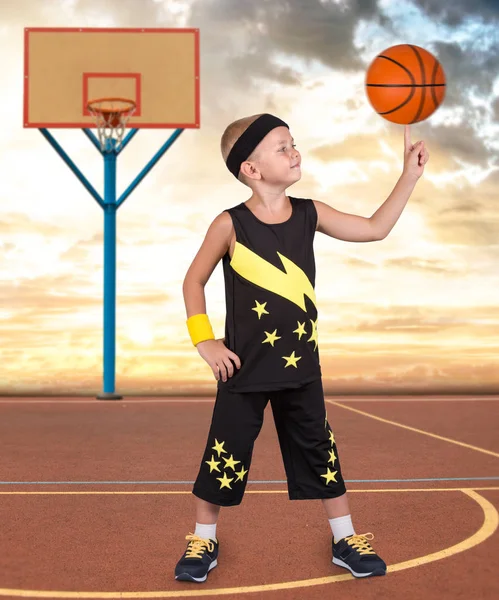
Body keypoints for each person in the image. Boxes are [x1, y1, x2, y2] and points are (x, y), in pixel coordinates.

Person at [175, 113, 429, 583]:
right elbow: (194, 280)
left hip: (301, 369)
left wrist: (408, 176)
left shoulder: (312, 213)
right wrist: (204, 340)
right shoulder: (230, 224)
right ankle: (203, 539)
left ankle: (344, 537)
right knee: (224, 452)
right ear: (250, 169)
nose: (294, 151)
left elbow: (375, 228)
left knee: (320, 450)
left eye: (293, 143)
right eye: (281, 146)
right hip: (243, 370)